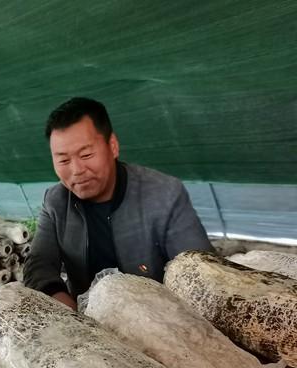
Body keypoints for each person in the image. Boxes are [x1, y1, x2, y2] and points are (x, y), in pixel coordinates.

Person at [24, 97, 213, 310]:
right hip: (85, 317)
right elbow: (38, 266)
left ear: (112, 146)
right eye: (63, 160)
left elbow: (200, 274)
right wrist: (72, 315)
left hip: (160, 317)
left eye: (86, 154)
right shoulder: (56, 201)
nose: (76, 170)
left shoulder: (164, 195)